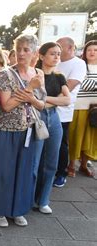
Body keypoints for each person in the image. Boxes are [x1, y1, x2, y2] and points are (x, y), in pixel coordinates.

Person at [0, 34, 46, 228]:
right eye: (18, 49)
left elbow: (42, 104)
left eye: (26, 49)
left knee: (23, 172)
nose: (21, 53)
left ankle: (17, 209)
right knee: (3, 171)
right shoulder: (6, 74)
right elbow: (7, 105)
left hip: (27, 130)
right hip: (5, 129)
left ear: (35, 52)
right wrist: (30, 88)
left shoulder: (38, 73)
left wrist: (32, 98)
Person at [34, 42, 70, 214]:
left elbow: (67, 100)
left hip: (54, 118)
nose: (56, 57)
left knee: (51, 163)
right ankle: (28, 198)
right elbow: (31, 97)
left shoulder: (59, 76)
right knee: (34, 162)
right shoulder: (34, 74)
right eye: (52, 53)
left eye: (58, 53)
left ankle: (43, 200)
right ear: (41, 56)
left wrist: (44, 98)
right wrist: (52, 99)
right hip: (36, 117)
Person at [54, 37, 87, 187]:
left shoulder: (79, 64)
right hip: (47, 108)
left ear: (70, 48)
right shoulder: (56, 61)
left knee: (61, 144)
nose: (57, 51)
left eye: (60, 47)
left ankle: (62, 173)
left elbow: (70, 85)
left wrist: (47, 100)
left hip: (63, 111)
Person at [68, 40, 97, 178]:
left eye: (95, 50)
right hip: (79, 106)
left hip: (95, 109)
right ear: (84, 52)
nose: (92, 52)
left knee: (90, 138)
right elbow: (83, 83)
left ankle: (84, 165)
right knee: (76, 135)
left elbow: (88, 83)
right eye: (89, 50)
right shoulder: (81, 66)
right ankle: (71, 165)